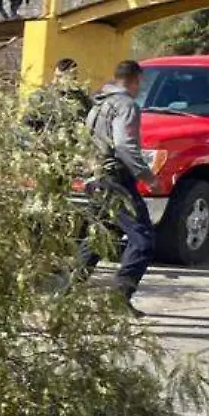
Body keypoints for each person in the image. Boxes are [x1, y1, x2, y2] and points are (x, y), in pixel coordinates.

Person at [76, 59, 163, 315]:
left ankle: (68, 292)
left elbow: (86, 140)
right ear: (135, 79)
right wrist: (147, 175)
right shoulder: (126, 105)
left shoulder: (98, 104)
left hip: (96, 177)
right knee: (143, 239)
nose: (140, 88)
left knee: (99, 236)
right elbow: (124, 145)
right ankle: (119, 296)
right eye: (140, 83)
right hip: (116, 179)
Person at [24, 58, 94, 134]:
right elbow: (27, 125)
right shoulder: (42, 97)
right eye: (56, 76)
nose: (55, 81)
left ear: (73, 78)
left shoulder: (82, 100)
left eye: (60, 77)